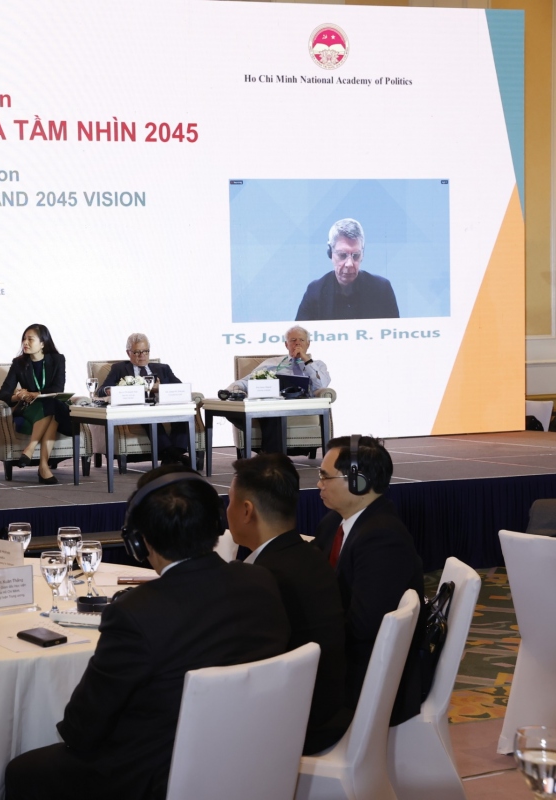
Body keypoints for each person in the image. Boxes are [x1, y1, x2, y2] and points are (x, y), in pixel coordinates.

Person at [4, 465, 290, 800]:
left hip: (154, 777)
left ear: (139, 542)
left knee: (22, 771)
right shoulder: (261, 581)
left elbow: (81, 729)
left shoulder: (135, 613)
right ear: (215, 524)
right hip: (252, 757)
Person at [227, 453, 350, 754]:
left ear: (246, 511)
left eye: (229, 502)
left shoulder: (264, 579)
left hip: (297, 727)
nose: (226, 511)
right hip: (329, 708)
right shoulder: (310, 556)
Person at [312, 436, 424, 725]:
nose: (319, 484)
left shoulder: (382, 539)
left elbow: (364, 627)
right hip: (348, 663)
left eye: (325, 476)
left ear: (358, 482)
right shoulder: (334, 523)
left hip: (366, 680)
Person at [225, 325, 331, 455]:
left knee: (272, 413)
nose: (297, 343)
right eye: (293, 340)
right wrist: (230, 391)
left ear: (308, 344)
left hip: (303, 405)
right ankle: (272, 456)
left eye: (301, 340)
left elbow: (321, 385)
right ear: (286, 345)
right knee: (239, 409)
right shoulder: (273, 363)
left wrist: (306, 360)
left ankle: (271, 457)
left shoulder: (318, 365)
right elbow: (247, 381)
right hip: (274, 404)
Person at [0, 324, 76, 485]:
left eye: (30, 339)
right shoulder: (18, 363)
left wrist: (37, 394)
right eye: (24, 339)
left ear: (42, 343)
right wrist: (19, 396)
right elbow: (2, 394)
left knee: (51, 406)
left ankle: (31, 449)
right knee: (52, 411)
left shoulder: (57, 360)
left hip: (51, 407)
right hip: (29, 410)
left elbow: (58, 388)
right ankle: (43, 467)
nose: (25, 343)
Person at [96, 332, 191, 465]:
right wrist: (112, 390)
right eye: (137, 352)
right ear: (128, 353)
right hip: (138, 411)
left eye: (145, 351)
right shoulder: (119, 369)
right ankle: (177, 456)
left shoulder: (163, 368)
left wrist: (160, 388)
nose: (142, 355)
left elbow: (180, 388)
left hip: (163, 409)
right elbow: (101, 390)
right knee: (149, 418)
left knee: (183, 417)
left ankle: (171, 457)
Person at [296, 218, 399, 321]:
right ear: (330, 253)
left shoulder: (382, 289)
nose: (349, 264)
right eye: (342, 255)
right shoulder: (314, 292)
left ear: (363, 254)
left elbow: (396, 330)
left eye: (356, 255)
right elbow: (297, 332)